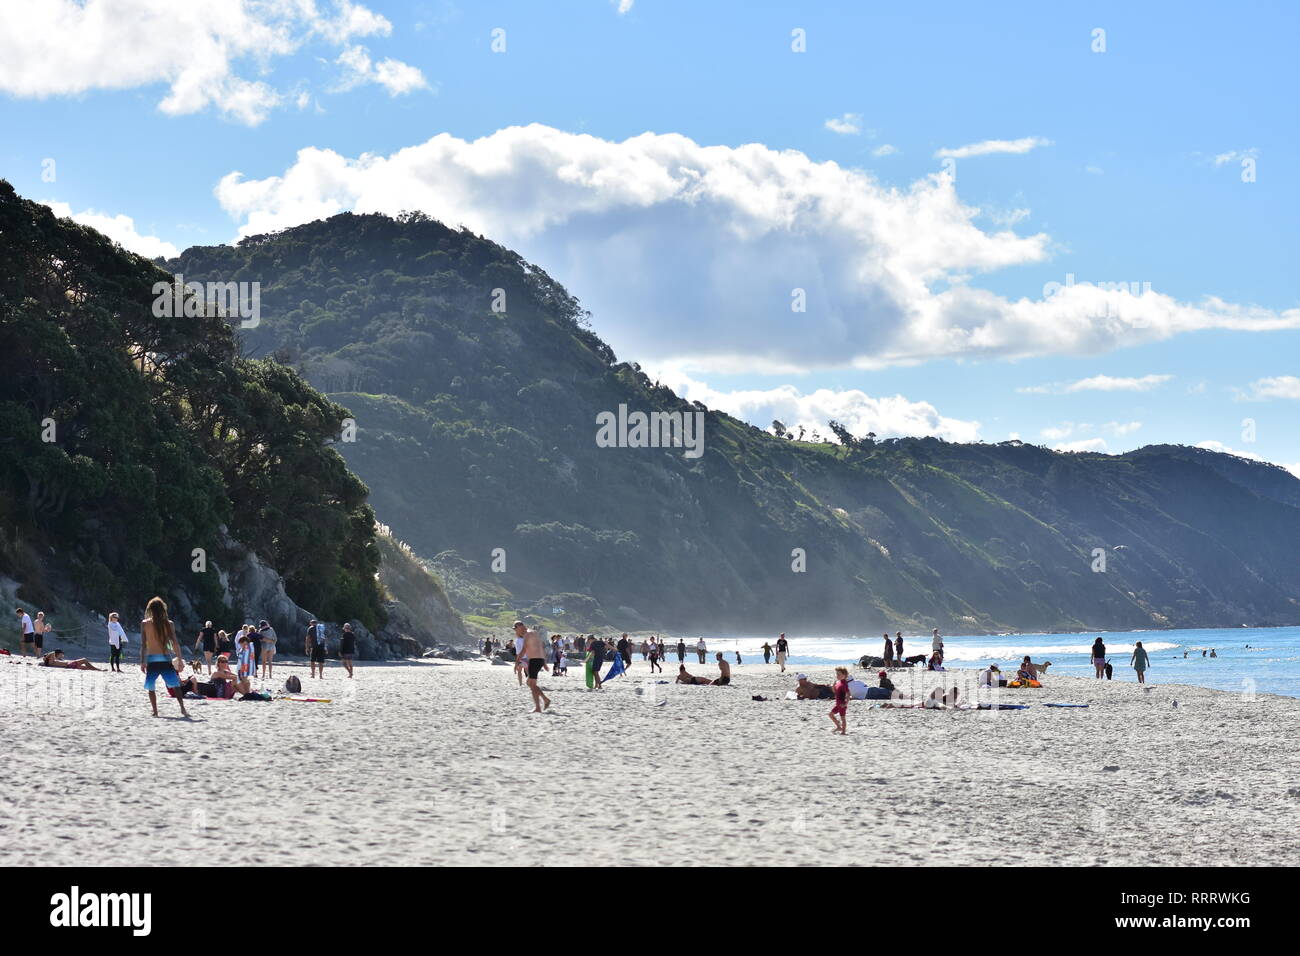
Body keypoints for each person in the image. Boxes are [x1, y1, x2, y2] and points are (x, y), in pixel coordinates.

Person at [139, 596, 189, 718]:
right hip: (165, 658)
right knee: (175, 685)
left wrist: (142, 661)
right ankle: (182, 708)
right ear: (163, 609)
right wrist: (180, 659)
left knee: (151, 687)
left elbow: (143, 645)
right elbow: (175, 643)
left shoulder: (145, 623)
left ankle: (155, 711)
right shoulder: (169, 624)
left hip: (152, 659)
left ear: (150, 609)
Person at [514, 621, 551, 713]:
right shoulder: (534, 634)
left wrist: (516, 663)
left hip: (534, 661)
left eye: (516, 629)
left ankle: (543, 702)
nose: (516, 632)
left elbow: (523, 650)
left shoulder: (527, 635)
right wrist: (544, 663)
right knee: (531, 683)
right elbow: (541, 647)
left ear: (520, 627)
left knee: (531, 684)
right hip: (538, 660)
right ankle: (540, 704)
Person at [829, 666, 849, 734]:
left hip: (842, 704)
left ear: (844, 675)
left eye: (839, 674)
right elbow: (835, 692)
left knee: (843, 718)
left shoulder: (844, 684)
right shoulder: (839, 682)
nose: (837, 676)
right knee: (830, 715)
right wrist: (833, 686)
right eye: (837, 674)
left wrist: (845, 704)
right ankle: (838, 727)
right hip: (838, 704)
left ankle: (843, 732)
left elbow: (848, 694)